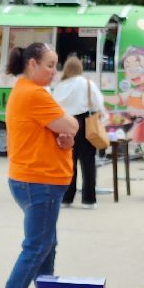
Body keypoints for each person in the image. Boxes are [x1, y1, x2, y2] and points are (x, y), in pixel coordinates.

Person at [1, 42, 77, 288]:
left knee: (45, 245)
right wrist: (69, 129)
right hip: (39, 180)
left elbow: (60, 132)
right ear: (32, 64)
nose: (54, 71)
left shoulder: (26, 90)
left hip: (33, 179)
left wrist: (65, 138)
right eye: (50, 65)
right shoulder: (35, 94)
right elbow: (71, 125)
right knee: (37, 247)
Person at [52, 54, 105, 208]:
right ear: (80, 68)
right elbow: (98, 104)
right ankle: (89, 200)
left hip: (64, 124)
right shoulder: (87, 83)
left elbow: (54, 106)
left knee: (69, 163)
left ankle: (67, 198)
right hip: (85, 124)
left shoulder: (60, 86)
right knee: (88, 163)